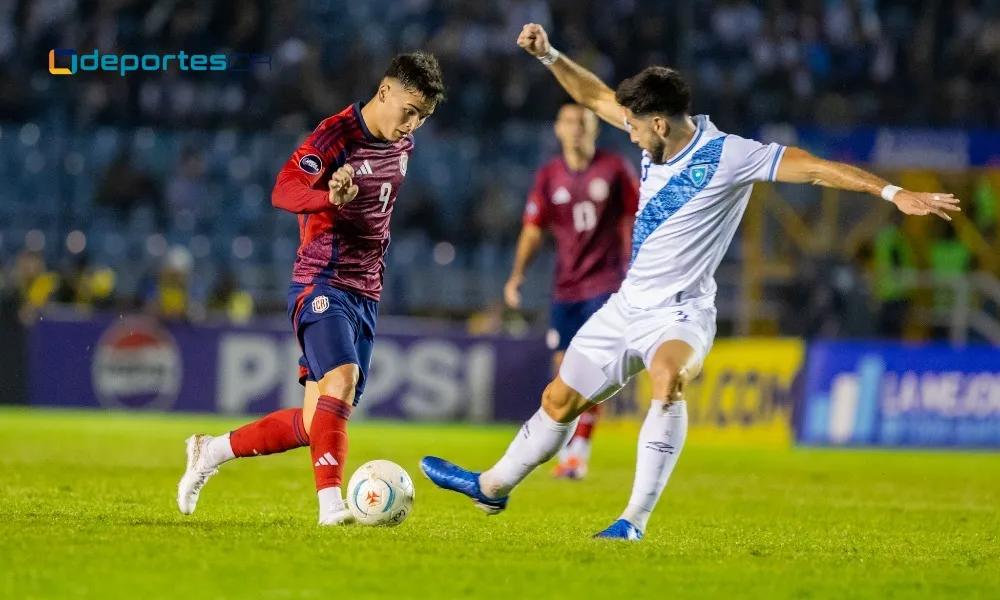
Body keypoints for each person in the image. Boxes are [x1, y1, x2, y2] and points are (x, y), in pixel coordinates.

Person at [420, 23, 960, 541]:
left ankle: (632, 519)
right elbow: (596, 97)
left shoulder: (731, 155)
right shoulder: (651, 136)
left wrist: (893, 194)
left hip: (681, 312)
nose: (625, 132)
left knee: (667, 377)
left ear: (659, 123)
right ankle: (491, 487)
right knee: (558, 401)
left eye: (632, 126)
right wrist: (548, 55)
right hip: (626, 305)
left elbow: (816, 168)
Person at [177, 52, 446, 525]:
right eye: (409, 110)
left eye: (422, 117)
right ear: (384, 92)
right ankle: (332, 508)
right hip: (321, 280)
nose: (413, 125)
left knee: (314, 421)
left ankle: (210, 450)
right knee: (343, 381)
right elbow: (283, 190)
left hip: (367, 292)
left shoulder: (403, 144)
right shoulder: (335, 136)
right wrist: (328, 195)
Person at [504, 103, 638, 480]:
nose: (577, 128)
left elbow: (638, 216)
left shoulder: (615, 169)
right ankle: (569, 444)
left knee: (590, 366)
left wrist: (637, 267)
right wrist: (516, 276)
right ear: (557, 129)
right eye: (570, 122)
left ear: (596, 129)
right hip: (565, 288)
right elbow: (533, 230)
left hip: (607, 284)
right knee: (563, 369)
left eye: (584, 122)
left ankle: (578, 451)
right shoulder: (549, 176)